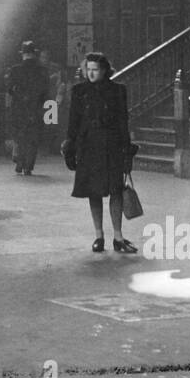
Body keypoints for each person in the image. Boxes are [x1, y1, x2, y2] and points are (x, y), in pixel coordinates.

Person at [62, 52, 135, 252]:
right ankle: (99, 236)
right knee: (93, 192)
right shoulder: (79, 91)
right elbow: (73, 121)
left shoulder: (118, 91)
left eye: (95, 70)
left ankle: (118, 237)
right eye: (89, 69)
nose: (91, 73)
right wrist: (70, 146)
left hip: (112, 146)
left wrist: (127, 150)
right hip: (88, 146)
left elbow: (123, 122)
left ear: (104, 70)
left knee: (116, 191)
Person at [5, 41, 52, 175]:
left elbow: (9, 89)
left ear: (22, 54)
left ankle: (20, 162)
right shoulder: (43, 70)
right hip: (36, 108)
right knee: (33, 138)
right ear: (35, 54)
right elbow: (46, 92)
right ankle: (28, 166)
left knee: (20, 136)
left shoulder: (15, 70)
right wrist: (49, 113)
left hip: (19, 108)